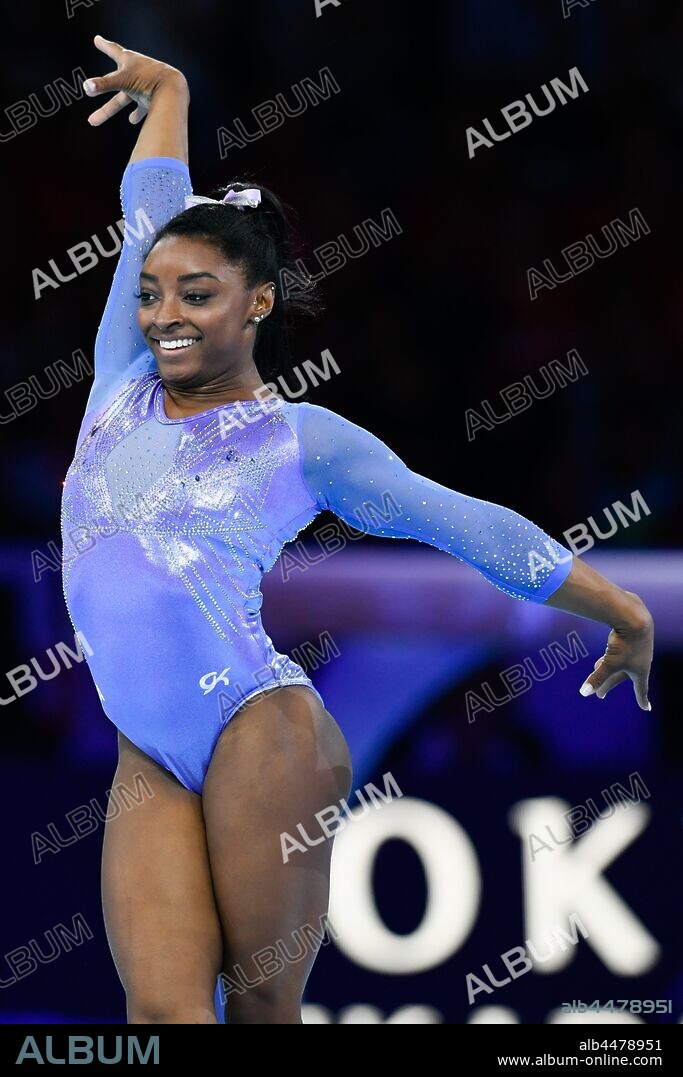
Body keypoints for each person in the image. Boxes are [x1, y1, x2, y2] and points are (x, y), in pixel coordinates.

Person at [63, 35, 654, 1024]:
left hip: (262, 729)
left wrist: (619, 608)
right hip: (145, 751)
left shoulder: (300, 440)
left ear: (257, 305)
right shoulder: (122, 371)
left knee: (259, 1010)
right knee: (161, 1018)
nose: (163, 313)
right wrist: (171, 86)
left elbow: (462, 524)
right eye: (155, 292)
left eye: (197, 297)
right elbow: (151, 205)